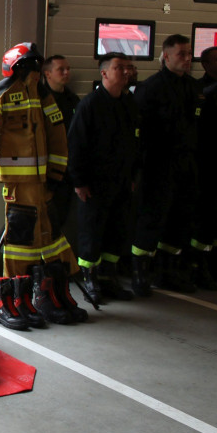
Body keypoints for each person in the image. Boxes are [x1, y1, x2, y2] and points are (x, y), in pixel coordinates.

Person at [0, 42, 86, 329]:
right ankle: (9, 299)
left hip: (44, 182)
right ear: (16, 66)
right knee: (21, 239)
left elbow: (57, 133)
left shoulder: (43, 95)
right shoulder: (0, 93)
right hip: (18, 184)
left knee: (49, 236)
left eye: (37, 66)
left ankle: (46, 295)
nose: (34, 71)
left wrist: (58, 172)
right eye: (30, 66)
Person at [130, 33, 202, 295]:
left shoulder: (193, 88)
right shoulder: (151, 88)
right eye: (181, 54)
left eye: (189, 53)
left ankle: (167, 271)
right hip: (159, 165)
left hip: (187, 164)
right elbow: (139, 132)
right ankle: (140, 273)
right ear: (166, 56)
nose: (187, 58)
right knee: (152, 218)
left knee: (181, 219)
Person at [67, 54, 140, 303]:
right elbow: (76, 145)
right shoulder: (90, 104)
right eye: (118, 68)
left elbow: (134, 143)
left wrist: (132, 176)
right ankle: (90, 280)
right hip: (95, 183)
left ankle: (109, 279)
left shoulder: (128, 103)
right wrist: (79, 181)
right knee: (92, 232)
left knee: (116, 232)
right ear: (104, 73)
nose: (124, 72)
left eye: (126, 68)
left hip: (120, 181)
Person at [189, 45, 217, 288]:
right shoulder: (211, 95)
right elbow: (205, 137)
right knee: (209, 220)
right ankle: (200, 266)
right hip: (216, 169)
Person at [40, 55, 80, 241]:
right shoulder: (39, 100)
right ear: (47, 73)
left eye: (68, 69)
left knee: (62, 216)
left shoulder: (73, 100)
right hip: (46, 171)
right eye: (61, 69)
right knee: (45, 218)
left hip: (68, 170)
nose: (66, 73)